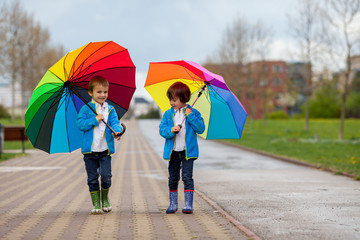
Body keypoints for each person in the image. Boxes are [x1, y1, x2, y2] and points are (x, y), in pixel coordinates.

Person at [76, 76, 122, 214]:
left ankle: (105, 198)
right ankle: (96, 204)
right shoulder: (86, 109)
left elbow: (114, 123)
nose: (103, 95)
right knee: (92, 178)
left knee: (106, 176)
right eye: (99, 92)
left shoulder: (110, 109)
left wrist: (117, 131)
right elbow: (80, 124)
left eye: (105, 92)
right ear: (90, 93)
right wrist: (94, 119)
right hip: (90, 151)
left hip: (105, 150)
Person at [159, 81, 205, 214]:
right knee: (173, 178)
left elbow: (200, 128)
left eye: (174, 100)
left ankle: (188, 204)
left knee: (187, 177)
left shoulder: (193, 112)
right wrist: (171, 130)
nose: (171, 103)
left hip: (187, 152)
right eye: (170, 100)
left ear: (184, 99)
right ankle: (173, 204)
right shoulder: (168, 114)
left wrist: (190, 116)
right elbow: (162, 130)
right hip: (173, 152)